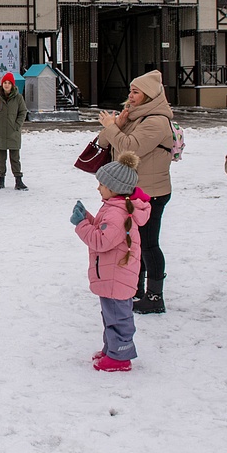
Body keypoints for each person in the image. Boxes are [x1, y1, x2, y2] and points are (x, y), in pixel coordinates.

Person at [96, 70, 173, 314]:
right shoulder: (134, 116)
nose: (130, 95)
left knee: (149, 244)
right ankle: (134, 288)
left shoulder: (157, 121)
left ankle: (155, 295)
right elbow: (106, 142)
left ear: (149, 95)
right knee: (134, 243)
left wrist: (112, 127)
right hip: (131, 191)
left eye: (136, 92)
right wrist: (115, 125)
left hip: (151, 192)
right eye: (130, 90)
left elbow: (131, 147)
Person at [70, 151, 151, 372]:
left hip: (116, 275)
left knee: (118, 317)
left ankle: (120, 356)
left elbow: (101, 241)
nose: (98, 188)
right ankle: (112, 349)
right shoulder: (115, 207)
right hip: (112, 273)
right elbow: (105, 229)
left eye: (102, 184)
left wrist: (80, 225)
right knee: (111, 314)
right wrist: (87, 217)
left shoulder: (117, 213)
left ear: (114, 188)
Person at [0, 72, 28, 190]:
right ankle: (1, 180)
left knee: (15, 158)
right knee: (1, 158)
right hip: (0, 132)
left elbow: (23, 112)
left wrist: (17, 125)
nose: (6, 85)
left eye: (9, 83)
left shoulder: (18, 98)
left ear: (12, 85)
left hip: (13, 132)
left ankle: (18, 180)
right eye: (5, 83)